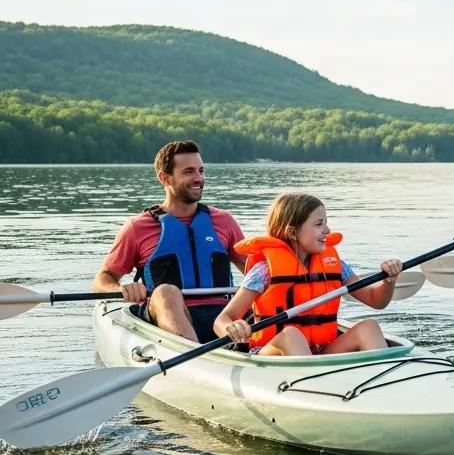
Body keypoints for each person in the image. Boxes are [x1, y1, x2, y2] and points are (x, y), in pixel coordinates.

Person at [214, 192, 403, 356]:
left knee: (369, 327)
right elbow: (222, 320)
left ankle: (384, 386)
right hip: (273, 353)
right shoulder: (264, 271)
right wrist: (231, 328)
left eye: (326, 223)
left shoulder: (336, 266)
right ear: (292, 232)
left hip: (320, 350)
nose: (327, 231)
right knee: (292, 334)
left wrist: (388, 280)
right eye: (319, 224)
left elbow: (375, 300)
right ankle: (313, 390)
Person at [93, 139, 246, 341]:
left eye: (201, 170)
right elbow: (102, 279)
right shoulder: (137, 227)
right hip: (166, 318)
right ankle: (195, 358)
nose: (199, 178)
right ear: (165, 178)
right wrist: (121, 288)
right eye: (189, 172)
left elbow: (253, 271)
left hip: (223, 317)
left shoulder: (224, 220)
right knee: (166, 292)